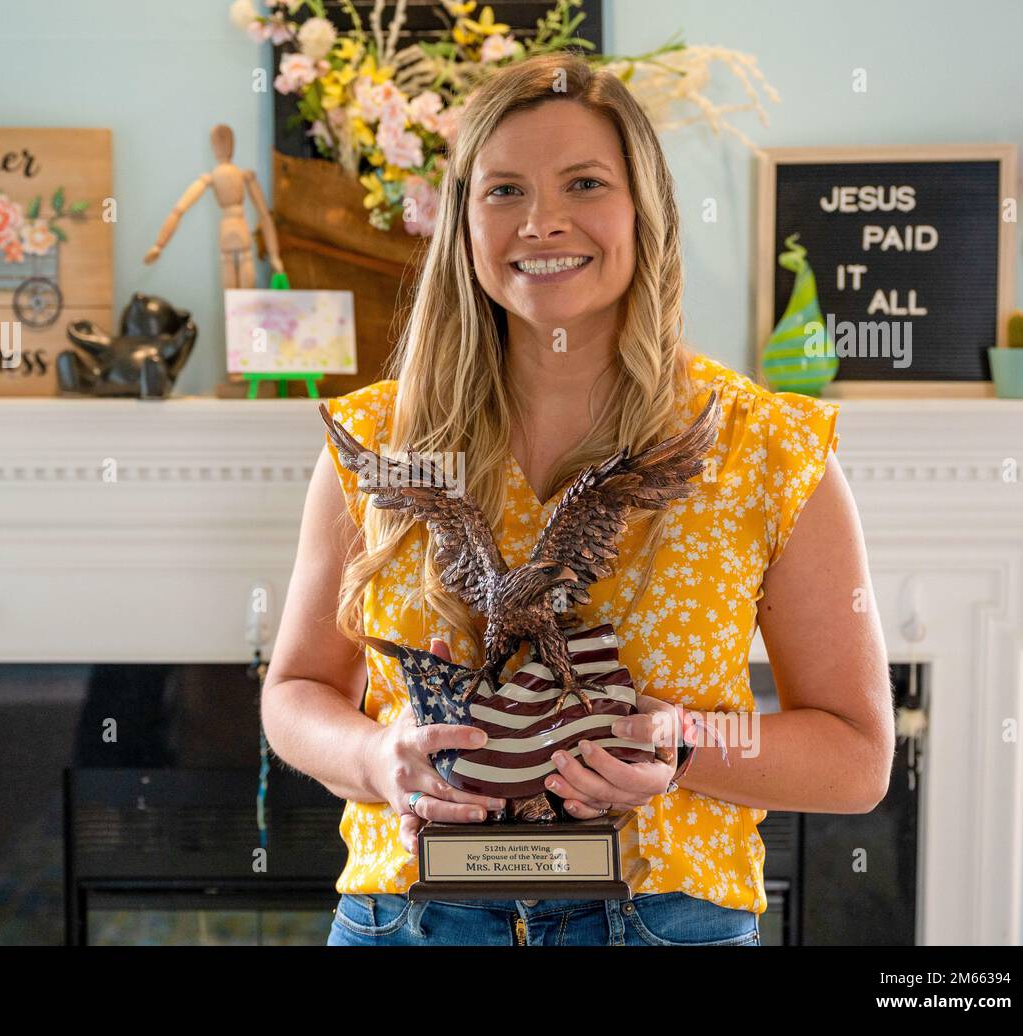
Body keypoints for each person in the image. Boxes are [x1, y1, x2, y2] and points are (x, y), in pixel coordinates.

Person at [261, 52, 894, 946]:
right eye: (504, 191)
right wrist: (373, 758)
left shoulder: (764, 448)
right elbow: (295, 691)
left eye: (585, 183)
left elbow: (858, 759)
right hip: (406, 917)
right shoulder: (378, 448)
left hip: (661, 922)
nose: (543, 221)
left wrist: (681, 749)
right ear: (462, 222)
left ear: (646, 210)